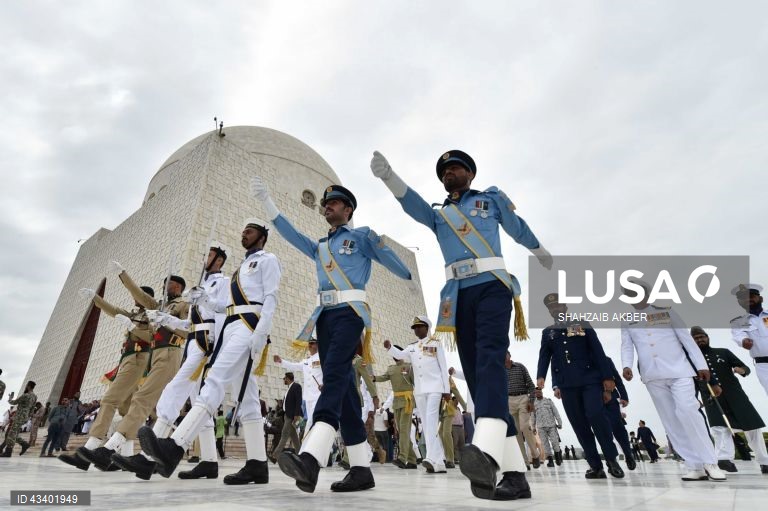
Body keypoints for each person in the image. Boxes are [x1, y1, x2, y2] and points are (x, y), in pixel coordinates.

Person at [370, 149, 551, 501]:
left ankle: (483, 449)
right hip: (457, 296)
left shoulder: (490, 199)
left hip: (492, 287)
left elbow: (517, 227)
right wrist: (389, 178)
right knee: (479, 374)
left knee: (489, 360)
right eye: (444, 171)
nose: (448, 173)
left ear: (469, 173)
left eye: (455, 168)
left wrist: (540, 250)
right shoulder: (439, 216)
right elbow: (414, 204)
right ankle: (516, 477)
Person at [251, 177, 412, 494]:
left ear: (348, 209)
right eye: (325, 204)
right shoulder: (322, 246)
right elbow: (292, 235)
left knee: (335, 372)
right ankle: (361, 470)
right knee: (349, 397)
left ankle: (311, 456)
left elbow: (394, 263)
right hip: (324, 317)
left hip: (351, 312)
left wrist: (395, 265)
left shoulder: (362, 236)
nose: (327, 207)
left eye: (334, 203)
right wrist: (268, 204)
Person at [138, 219, 281, 486]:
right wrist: (202, 299)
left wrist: (263, 330)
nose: (244, 234)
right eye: (243, 230)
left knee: (214, 378)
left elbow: (272, 295)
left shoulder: (267, 260)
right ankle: (258, 465)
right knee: (248, 399)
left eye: (249, 231)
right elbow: (219, 306)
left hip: (250, 324)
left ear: (262, 237)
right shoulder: (240, 271)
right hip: (232, 326)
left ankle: (176, 446)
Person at [112, 246, 230, 480]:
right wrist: (165, 318)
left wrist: (215, 343)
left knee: (174, 391)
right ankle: (209, 462)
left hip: (207, 342)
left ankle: (148, 459)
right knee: (195, 400)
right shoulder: (203, 286)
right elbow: (190, 324)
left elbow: (223, 312)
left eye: (208, 255)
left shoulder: (223, 282)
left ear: (219, 260)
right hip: (195, 341)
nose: (204, 259)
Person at [76, 268, 189, 472]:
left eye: (169, 283)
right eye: (163, 284)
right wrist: (117, 278)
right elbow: (135, 295)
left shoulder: (183, 304)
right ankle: (125, 456)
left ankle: (107, 448)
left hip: (166, 353)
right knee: (135, 404)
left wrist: (165, 321)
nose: (164, 286)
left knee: (142, 401)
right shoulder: (158, 307)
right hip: (154, 355)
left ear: (178, 286)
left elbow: (189, 329)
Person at [621, 278, 726, 482]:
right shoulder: (626, 319)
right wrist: (627, 365)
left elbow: (686, 339)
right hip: (652, 376)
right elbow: (627, 346)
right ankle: (693, 465)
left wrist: (701, 365)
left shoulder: (667, 311)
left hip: (680, 372)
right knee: (670, 420)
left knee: (688, 411)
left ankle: (710, 462)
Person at [59, 284, 156, 471]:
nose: (135, 298)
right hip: (127, 360)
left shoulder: (153, 316)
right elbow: (112, 310)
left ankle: (89, 449)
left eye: (139, 295)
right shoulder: (134, 315)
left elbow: (150, 337)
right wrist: (95, 297)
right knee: (126, 409)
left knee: (110, 401)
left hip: (137, 360)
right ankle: (125, 459)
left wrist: (132, 328)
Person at [537, 293, 624, 479]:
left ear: (565, 307)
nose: (555, 309)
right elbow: (545, 356)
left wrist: (607, 377)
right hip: (567, 385)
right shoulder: (548, 332)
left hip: (589, 381)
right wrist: (541, 376)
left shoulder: (581, 324)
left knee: (596, 416)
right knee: (579, 425)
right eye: (552, 307)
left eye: (558, 305)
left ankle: (611, 460)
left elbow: (597, 350)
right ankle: (595, 466)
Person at [692, 326, 768, 474]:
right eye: (696, 338)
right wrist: (695, 399)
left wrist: (742, 370)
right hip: (711, 398)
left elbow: (744, 366)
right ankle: (724, 460)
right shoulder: (691, 361)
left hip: (736, 396)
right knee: (719, 429)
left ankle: (765, 461)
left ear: (707, 337)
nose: (700, 340)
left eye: (702, 337)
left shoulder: (723, 352)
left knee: (752, 428)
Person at [385, 316, 451, 473]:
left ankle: (430, 457)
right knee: (428, 424)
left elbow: (443, 367)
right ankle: (439, 462)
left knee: (430, 421)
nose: (416, 330)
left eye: (419, 327)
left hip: (435, 388)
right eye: (414, 328)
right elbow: (400, 355)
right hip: (420, 390)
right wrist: (390, 348)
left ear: (426, 328)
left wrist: (447, 391)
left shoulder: (436, 343)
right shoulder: (412, 347)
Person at [373, 346, 418, 469]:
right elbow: (384, 377)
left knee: (404, 431)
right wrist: (374, 378)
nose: (394, 355)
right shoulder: (391, 369)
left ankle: (402, 458)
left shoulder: (409, 367)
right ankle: (412, 460)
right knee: (401, 432)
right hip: (397, 403)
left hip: (407, 402)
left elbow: (417, 383)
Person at [274, 338, 323, 433]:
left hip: (318, 395)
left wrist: (324, 384)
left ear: (318, 345)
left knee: (313, 420)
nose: (310, 345)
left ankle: (310, 443)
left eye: (312, 343)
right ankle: (309, 443)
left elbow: (328, 373)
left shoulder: (322, 358)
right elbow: (294, 366)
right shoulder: (306, 361)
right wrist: (281, 361)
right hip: (308, 396)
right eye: (309, 343)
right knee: (310, 420)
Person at [730, 284, 768, 396]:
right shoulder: (738, 322)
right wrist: (744, 340)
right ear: (739, 302)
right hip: (764, 366)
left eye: (751, 296)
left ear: (760, 298)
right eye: (743, 298)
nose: (748, 299)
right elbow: (738, 335)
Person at [504, 353, 539, 469]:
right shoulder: (499, 370)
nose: (503, 356)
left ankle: (535, 455)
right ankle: (524, 461)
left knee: (524, 427)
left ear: (509, 355)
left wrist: (531, 401)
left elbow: (531, 385)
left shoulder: (520, 367)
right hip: (508, 401)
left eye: (505, 353)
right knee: (516, 432)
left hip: (523, 398)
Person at [604, 357, 636, 470]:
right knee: (603, 431)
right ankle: (611, 459)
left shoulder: (606, 360)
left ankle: (628, 454)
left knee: (618, 428)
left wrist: (624, 396)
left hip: (611, 399)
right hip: (593, 399)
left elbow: (617, 379)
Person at [271, 372, 302, 461]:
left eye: (284, 378)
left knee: (284, 434)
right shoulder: (289, 388)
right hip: (286, 415)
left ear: (288, 378)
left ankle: (275, 455)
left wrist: (296, 414)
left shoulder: (296, 386)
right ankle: (300, 454)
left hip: (291, 416)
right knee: (294, 437)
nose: (284, 380)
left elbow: (298, 401)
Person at [1, 381, 36, 456]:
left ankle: (8, 452)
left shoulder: (26, 395)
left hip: (19, 416)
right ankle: (24, 444)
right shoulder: (34, 396)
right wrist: (28, 417)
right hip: (25, 417)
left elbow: (13, 402)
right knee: (14, 434)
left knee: (11, 433)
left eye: (27, 385)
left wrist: (10, 398)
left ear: (29, 386)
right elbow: (32, 409)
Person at [531, 388, 562, 467]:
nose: (538, 393)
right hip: (541, 427)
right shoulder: (533, 404)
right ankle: (550, 461)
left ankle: (558, 456)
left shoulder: (548, 401)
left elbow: (556, 412)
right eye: (536, 392)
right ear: (535, 394)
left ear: (542, 392)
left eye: (539, 392)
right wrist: (533, 427)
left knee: (555, 442)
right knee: (545, 445)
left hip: (551, 426)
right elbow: (532, 417)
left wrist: (559, 422)